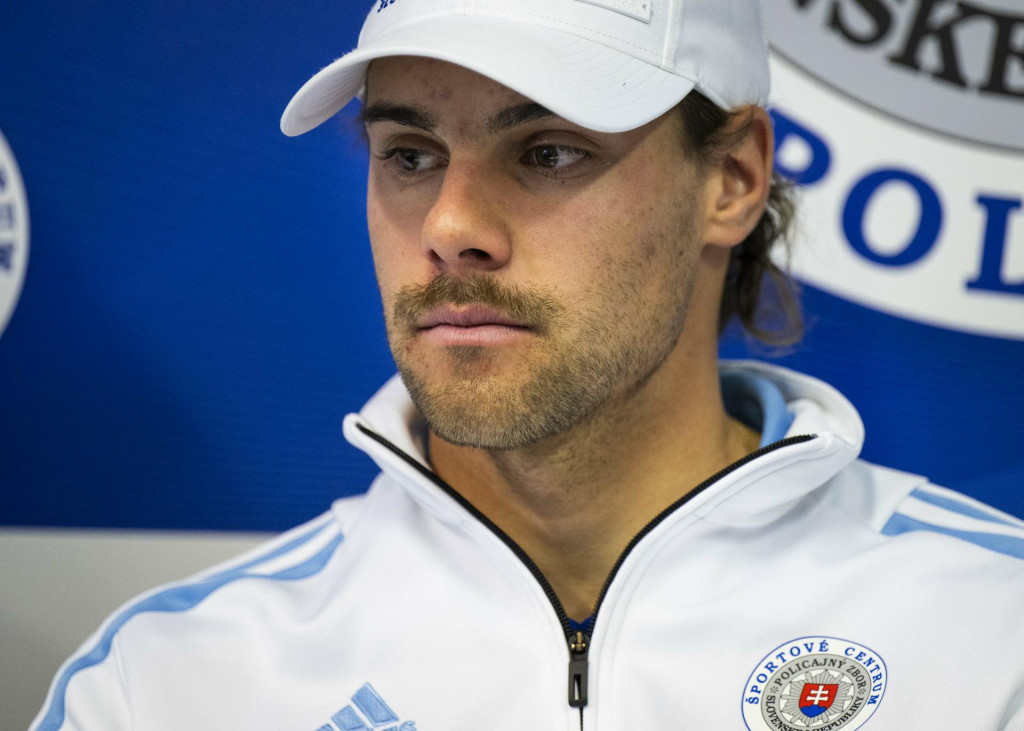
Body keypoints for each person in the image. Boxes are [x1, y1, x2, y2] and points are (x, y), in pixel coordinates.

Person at [32, 1, 1024, 730]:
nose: (452, 226)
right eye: (410, 154)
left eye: (548, 152)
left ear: (730, 179)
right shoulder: (169, 680)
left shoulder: (989, 636)